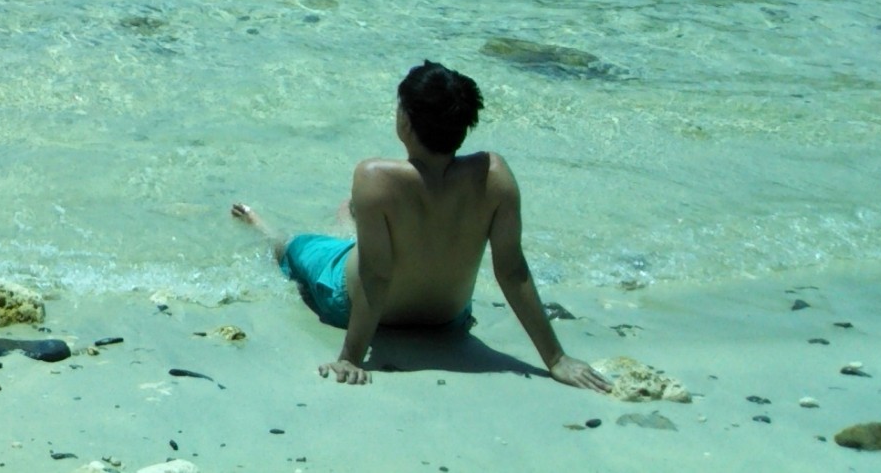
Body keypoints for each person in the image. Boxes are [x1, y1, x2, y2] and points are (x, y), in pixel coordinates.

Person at [231, 60, 609, 390]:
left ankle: (260, 225)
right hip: (446, 317)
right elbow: (512, 270)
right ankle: (353, 218)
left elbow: (376, 276)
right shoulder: (495, 175)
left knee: (296, 247)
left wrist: (350, 357)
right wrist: (556, 358)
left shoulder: (374, 176)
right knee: (361, 226)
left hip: (355, 304)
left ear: (406, 123)